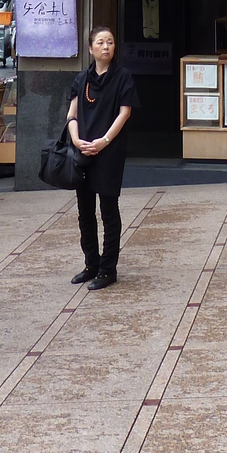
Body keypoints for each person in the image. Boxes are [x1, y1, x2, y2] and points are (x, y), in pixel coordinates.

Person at [65, 27, 138, 291]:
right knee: (85, 211)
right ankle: (90, 264)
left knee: (108, 211)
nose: (105, 47)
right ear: (90, 48)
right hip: (83, 150)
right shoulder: (82, 79)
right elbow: (71, 114)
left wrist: (104, 141)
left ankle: (108, 269)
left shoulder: (122, 77)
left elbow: (125, 113)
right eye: (100, 42)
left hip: (109, 152)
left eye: (110, 42)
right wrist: (76, 140)